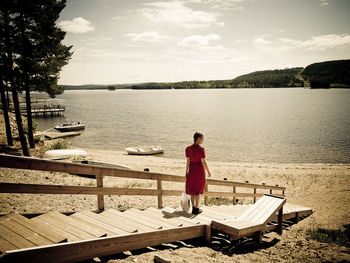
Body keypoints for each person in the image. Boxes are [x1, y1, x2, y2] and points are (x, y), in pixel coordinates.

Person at [185, 132, 211, 214]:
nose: (203, 140)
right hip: (199, 171)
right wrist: (208, 172)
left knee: (192, 190)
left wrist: (186, 172)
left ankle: (193, 208)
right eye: (202, 138)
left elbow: (188, 161)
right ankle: (197, 207)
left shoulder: (188, 148)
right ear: (199, 139)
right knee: (198, 190)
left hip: (192, 170)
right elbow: (203, 162)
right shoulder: (201, 149)